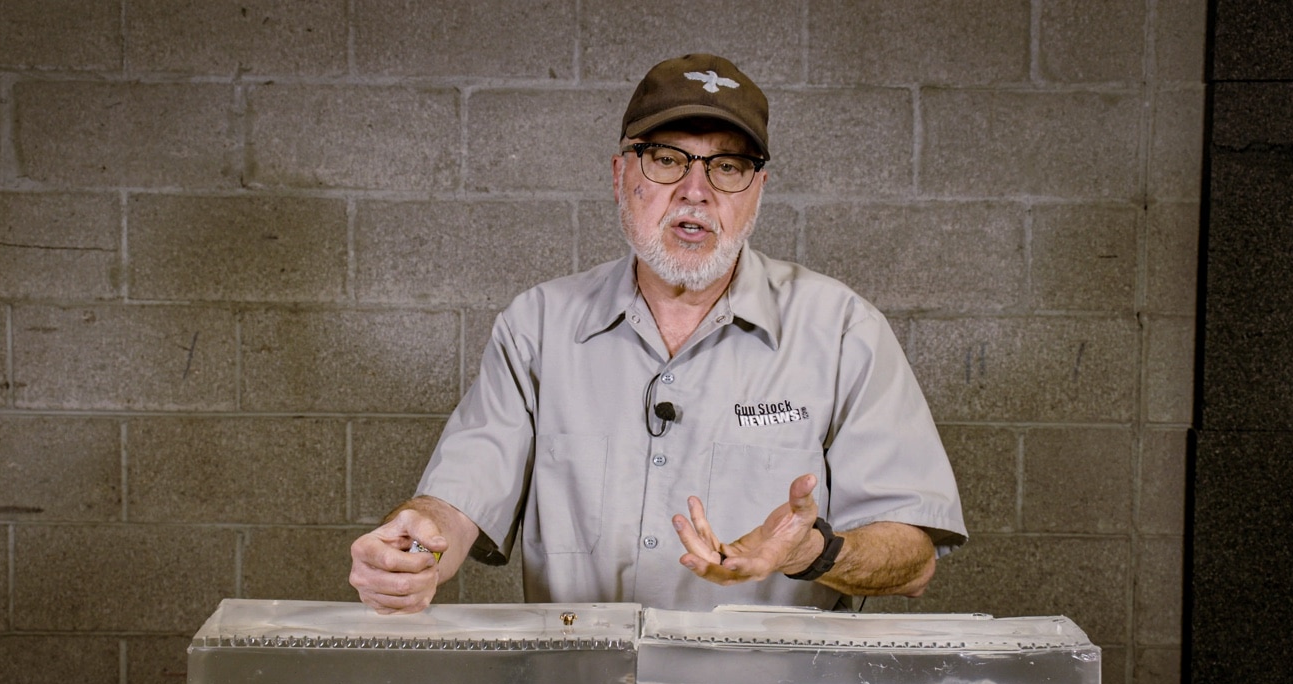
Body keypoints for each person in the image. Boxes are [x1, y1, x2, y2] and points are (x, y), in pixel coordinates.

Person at [350, 54, 967, 614]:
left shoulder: (842, 332)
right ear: (622, 175)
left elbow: (913, 558)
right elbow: (458, 503)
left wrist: (809, 553)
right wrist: (419, 545)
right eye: (668, 159)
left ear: (757, 192)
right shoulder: (539, 326)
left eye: (728, 166)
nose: (695, 192)